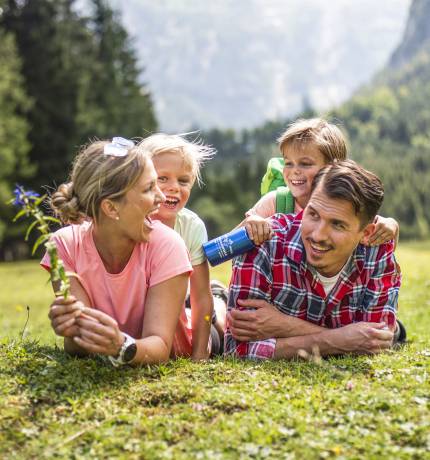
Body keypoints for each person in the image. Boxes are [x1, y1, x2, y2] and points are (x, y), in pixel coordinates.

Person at [225, 160, 402, 360]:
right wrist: (342, 339)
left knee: (393, 331)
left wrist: (285, 325)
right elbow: (237, 350)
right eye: (313, 214)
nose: (318, 235)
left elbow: (374, 342)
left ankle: (397, 327)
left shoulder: (377, 251)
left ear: (366, 232)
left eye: (337, 225)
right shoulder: (262, 242)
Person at [42, 137, 194, 366]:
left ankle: (218, 301)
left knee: (217, 322)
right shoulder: (64, 246)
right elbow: (79, 343)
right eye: (148, 188)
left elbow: (161, 347)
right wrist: (71, 329)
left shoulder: (168, 245)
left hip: (187, 340)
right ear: (111, 208)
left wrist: (120, 346)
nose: (161, 197)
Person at [241, 118, 399, 247]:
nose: (294, 170)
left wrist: (391, 225)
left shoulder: (346, 203)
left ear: (333, 168)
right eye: (288, 163)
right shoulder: (276, 202)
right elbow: (227, 243)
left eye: (305, 163)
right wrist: (251, 224)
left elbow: (373, 229)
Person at [138, 133, 226, 359]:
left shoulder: (191, 227)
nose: (174, 187)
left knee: (217, 335)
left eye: (183, 181)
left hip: (183, 306)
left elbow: (200, 298)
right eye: (162, 178)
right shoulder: (130, 222)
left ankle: (221, 299)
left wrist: (199, 356)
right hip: (159, 309)